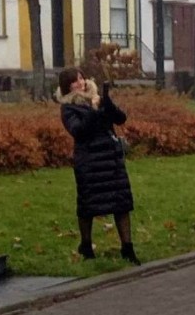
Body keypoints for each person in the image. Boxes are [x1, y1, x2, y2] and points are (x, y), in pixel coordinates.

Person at [56, 68, 140, 266]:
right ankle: (86, 245)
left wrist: (106, 102)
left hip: (111, 159)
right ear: (67, 86)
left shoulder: (97, 98)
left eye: (81, 78)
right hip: (89, 161)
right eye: (75, 81)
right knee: (88, 204)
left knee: (121, 203)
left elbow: (120, 118)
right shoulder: (68, 108)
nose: (81, 82)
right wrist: (93, 111)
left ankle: (127, 247)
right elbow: (78, 131)